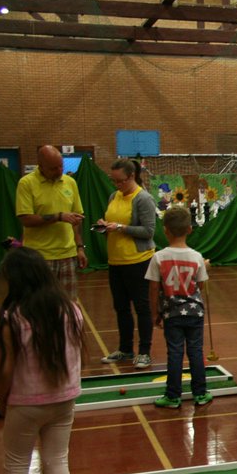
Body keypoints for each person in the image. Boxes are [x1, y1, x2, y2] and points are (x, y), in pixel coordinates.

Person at [0, 248, 83, 474]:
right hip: (64, 399)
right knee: (57, 461)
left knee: (15, 464)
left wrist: (2, 400)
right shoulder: (71, 309)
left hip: (25, 402)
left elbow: (4, 368)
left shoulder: (13, 317)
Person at [145, 207, 212, 409]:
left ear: (165, 230)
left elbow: (154, 287)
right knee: (195, 351)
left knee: (174, 352)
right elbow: (200, 285)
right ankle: (200, 393)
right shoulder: (196, 256)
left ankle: (173, 395)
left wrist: (155, 312)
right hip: (195, 312)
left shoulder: (158, 257)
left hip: (172, 312)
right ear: (189, 229)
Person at [96, 158, 157, 369]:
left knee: (142, 307)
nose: (116, 185)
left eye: (120, 181)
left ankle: (145, 352)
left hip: (138, 261)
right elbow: (113, 224)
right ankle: (125, 349)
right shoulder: (114, 196)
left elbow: (149, 231)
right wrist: (105, 227)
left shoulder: (143, 199)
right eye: (113, 181)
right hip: (116, 262)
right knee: (121, 307)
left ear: (131, 176)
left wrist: (120, 227)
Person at [14, 146, 86, 300]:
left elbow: (76, 220)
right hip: (39, 257)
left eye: (61, 166)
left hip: (67, 255)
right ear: (40, 166)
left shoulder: (70, 183)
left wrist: (80, 248)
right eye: (53, 168)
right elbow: (25, 219)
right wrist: (58, 216)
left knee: (69, 305)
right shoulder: (26, 183)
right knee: (40, 305)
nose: (59, 170)